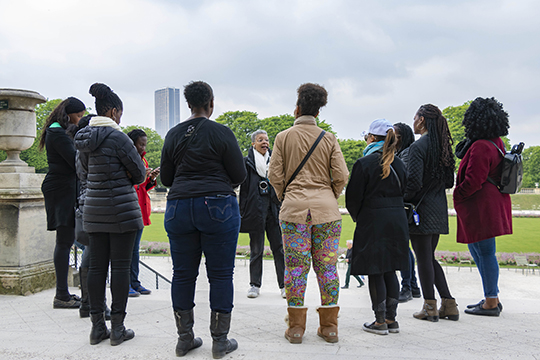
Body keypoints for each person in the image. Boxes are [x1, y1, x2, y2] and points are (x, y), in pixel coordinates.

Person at [160, 81, 246, 359]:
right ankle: (219, 341)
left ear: (188, 104)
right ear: (212, 102)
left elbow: (167, 179)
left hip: (179, 205)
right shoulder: (221, 132)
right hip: (217, 203)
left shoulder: (173, 134)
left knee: (182, 274)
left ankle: (184, 338)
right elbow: (240, 174)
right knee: (221, 274)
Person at [268, 83, 349, 344]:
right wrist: (328, 195)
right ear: (318, 112)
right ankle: (330, 327)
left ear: (297, 108)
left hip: (294, 210)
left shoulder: (283, 137)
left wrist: (287, 196)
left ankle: (295, 328)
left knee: (295, 268)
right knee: (327, 269)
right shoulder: (328, 138)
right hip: (326, 211)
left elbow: (274, 175)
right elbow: (342, 175)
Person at [75, 83, 146, 346]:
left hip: (93, 209)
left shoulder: (82, 138)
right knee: (119, 268)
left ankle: (97, 327)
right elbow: (139, 174)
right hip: (121, 210)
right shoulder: (119, 138)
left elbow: (82, 174)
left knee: (96, 267)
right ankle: (117, 328)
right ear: (114, 112)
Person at [346, 118, 409, 335]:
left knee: (375, 270)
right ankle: (392, 318)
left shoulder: (364, 164)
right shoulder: (399, 164)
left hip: (373, 219)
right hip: (397, 218)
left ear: (372, 138)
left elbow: (353, 198)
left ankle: (379, 320)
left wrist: (359, 217)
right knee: (391, 269)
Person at [454, 97, 511, 317]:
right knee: (480, 250)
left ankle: (491, 301)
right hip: (490, 202)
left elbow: (473, 180)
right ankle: (491, 296)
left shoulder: (480, 146)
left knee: (485, 252)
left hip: (481, 205)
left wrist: (457, 195)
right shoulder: (496, 141)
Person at [404, 104, 458, 322]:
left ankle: (430, 305)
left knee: (423, 258)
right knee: (429, 257)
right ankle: (449, 303)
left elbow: (414, 182)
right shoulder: (442, 147)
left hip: (420, 209)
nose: (413, 121)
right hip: (438, 206)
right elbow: (448, 181)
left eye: (415, 117)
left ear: (422, 120)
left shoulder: (419, 147)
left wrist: (402, 198)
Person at [39, 96, 86, 309]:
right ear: (68, 115)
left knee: (66, 240)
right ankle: (61, 295)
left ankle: (63, 293)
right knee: (64, 240)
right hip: (61, 189)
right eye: (78, 116)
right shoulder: (57, 132)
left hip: (64, 188)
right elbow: (75, 159)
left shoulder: (59, 130)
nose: (79, 121)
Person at [239, 129, 285, 299]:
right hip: (255, 211)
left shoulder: (276, 162)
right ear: (253, 144)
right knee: (256, 250)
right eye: (260, 140)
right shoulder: (246, 163)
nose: (265, 142)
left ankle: (284, 285)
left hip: (273, 210)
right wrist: (242, 211)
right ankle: (254, 285)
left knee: (279, 249)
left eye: (266, 140)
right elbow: (243, 191)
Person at [126, 129, 160, 297]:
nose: (143, 147)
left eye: (144, 144)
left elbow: (143, 187)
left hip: (139, 208)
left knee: (134, 250)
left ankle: (134, 282)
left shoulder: (142, 160)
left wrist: (151, 178)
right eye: (141, 144)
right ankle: (127, 284)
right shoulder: (127, 159)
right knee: (128, 250)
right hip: (129, 209)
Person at [393, 122, 421, 303]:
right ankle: (413, 285)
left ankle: (407, 286)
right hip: (406, 205)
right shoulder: (404, 153)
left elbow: (407, 182)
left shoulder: (405, 155)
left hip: (403, 205)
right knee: (405, 247)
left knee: (403, 247)